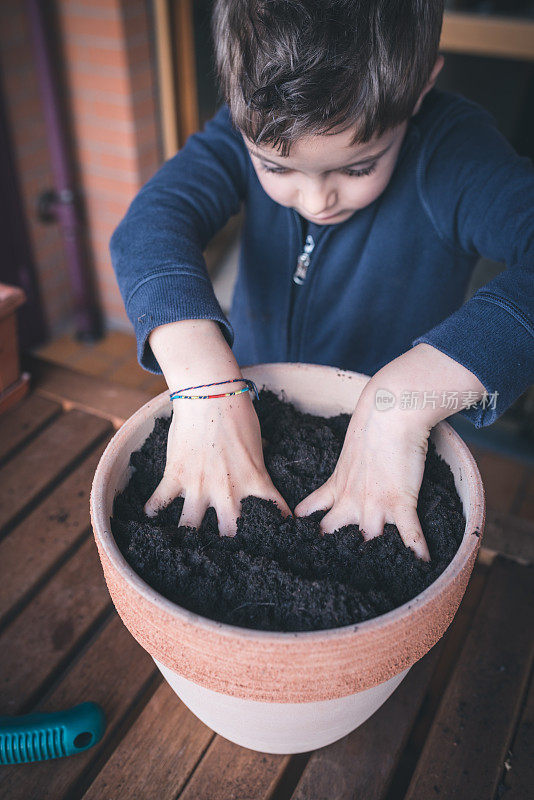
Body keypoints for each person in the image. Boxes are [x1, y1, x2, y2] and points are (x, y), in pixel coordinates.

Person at [110, 0, 534, 562]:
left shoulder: (451, 153)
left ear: (423, 83)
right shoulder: (246, 125)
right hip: (253, 401)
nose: (315, 200)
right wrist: (202, 379)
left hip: (394, 443)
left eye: (359, 167)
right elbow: (150, 224)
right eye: (276, 168)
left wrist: (400, 402)